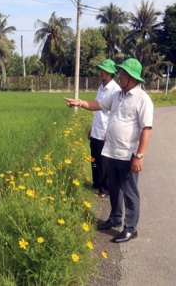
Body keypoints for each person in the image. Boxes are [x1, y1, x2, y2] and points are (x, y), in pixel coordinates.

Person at [64, 58, 154, 243]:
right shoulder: (117, 95)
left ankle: (130, 228)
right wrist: (79, 103)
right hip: (112, 151)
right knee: (114, 189)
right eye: (120, 73)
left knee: (130, 193)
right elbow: (98, 105)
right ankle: (114, 217)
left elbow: (146, 128)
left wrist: (139, 156)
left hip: (128, 154)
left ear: (132, 77)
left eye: (122, 74)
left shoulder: (142, 99)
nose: (119, 77)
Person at [89, 59, 120, 198]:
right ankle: (96, 183)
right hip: (96, 130)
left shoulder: (115, 90)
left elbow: (115, 114)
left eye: (104, 71)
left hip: (105, 133)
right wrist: (91, 128)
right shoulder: (101, 88)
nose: (101, 73)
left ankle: (104, 189)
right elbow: (97, 109)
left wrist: (109, 133)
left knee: (104, 163)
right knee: (94, 159)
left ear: (110, 73)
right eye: (101, 70)